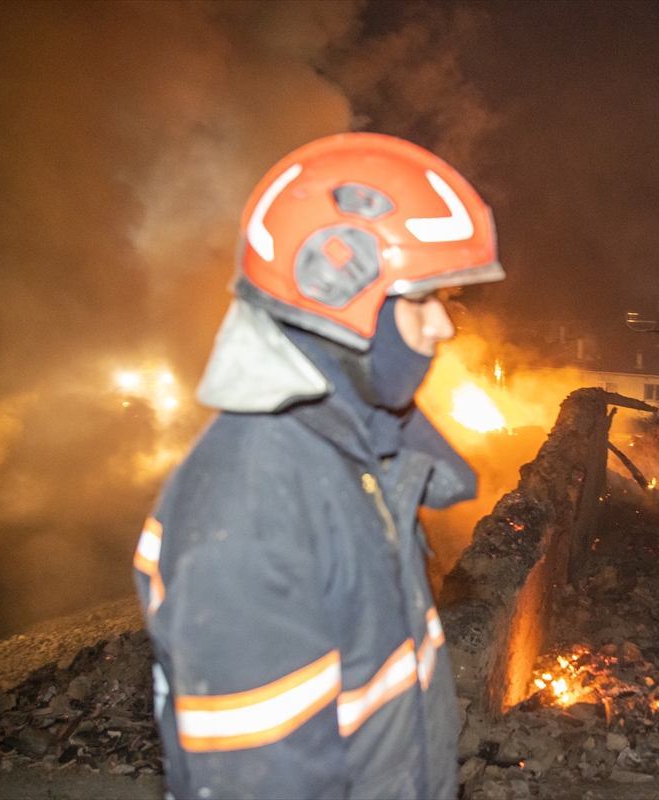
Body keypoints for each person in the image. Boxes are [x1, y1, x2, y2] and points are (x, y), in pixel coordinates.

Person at [132, 133, 504, 799]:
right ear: (338, 290)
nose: (444, 328)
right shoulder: (252, 507)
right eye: (426, 298)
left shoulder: (354, 457)